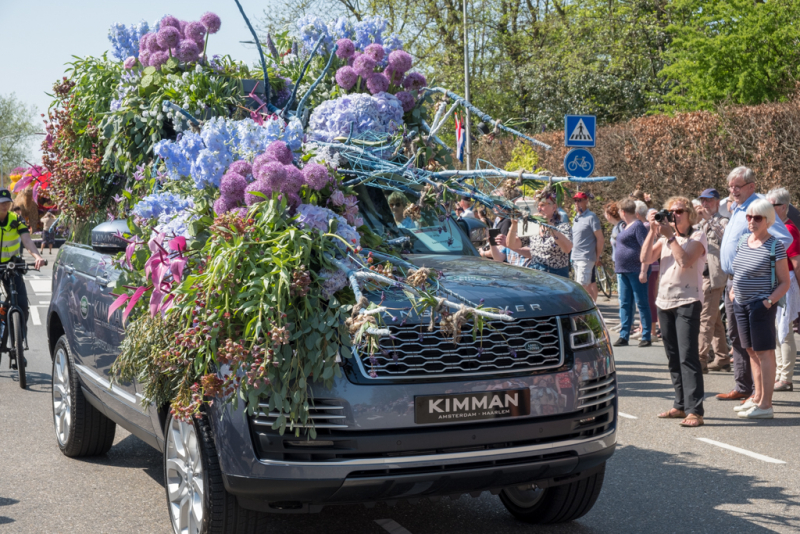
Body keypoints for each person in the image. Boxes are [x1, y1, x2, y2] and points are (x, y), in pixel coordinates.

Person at [717, 167, 793, 401]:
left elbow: (784, 238)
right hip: (734, 285)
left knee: (760, 347)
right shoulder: (738, 209)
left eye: (737, 186)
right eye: (730, 186)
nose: (733, 190)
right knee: (739, 340)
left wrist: (759, 259)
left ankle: (761, 397)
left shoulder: (759, 207)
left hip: (757, 288)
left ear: (751, 186)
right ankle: (745, 387)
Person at [642, 196, 708, 427]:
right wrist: (652, 231)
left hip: (688, 300)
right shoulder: (666, 239)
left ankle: (695, 411)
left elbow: (686, 262)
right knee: (673, 357)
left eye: (679, 211)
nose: (674, 214)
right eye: (671, 211)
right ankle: (680, 405)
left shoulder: (697, 236)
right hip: (665, 302)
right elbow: (644, 258)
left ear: (689, 213)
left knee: (688, 356)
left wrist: (670, 236)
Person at [729, 199, 791, 419]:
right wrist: (734, 291)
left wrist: (768, 302)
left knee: (764, 353)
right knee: (751, 352)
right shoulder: (744, 240)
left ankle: (766, 405)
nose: (752, 221)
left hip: (761, 306)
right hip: (740, 303)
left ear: (768, 220)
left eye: (757, 218)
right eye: (749, 217)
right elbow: (738, 269)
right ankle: (756, 398)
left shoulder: (776, 246)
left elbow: (785, 282)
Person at [0, 190, 46, 368]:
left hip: (11, 265)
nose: (4, 205)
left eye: (7, 202)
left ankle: (18, 346)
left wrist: (36, 257)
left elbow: (26, 240)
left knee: (21, 305)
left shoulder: (16, 219)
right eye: (1, 202)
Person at [766, 188, 800, 391]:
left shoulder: (789, 229)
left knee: (784, 330)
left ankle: (786, 377)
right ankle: (779, 373)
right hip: (776, 284)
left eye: (772, 206)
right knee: (777, 329)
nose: (768, 209)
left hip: (787, 284)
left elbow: (796, 263)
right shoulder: (774, 228)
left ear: (784, 207)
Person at [695, 188, 730, 373]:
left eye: (708, 200)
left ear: (717, 202)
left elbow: (726, 237)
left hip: (713, 276)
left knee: (705, 319)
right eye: (702, 200)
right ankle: (722, 357)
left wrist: (709, 220)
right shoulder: (700, 223)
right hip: (702, 274)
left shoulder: (723, 221)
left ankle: (700, 359)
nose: (705, 204)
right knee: (714, 318)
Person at [504, 187, 573, 277]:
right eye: (538, 205)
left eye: (543, 205)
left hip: (557, 276)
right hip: (536, 273)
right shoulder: (534, 226)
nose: (539, 208)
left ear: (554, 207)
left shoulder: (563, 227)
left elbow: (567, 248)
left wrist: (548, 224)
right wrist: (514, 225)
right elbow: (512, 244)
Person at [613, 199, 652, 347]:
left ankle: (646, 335)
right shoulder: (626, 226)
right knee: (625, 303)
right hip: (623, 271)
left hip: (636, 270)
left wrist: (644, 270)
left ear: (623, 212)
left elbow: (646, 248)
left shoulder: (638, 226)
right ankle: (624, 335)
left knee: (641, 303)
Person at [571, 192, 604, 301]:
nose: (577, 203)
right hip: (575, 258)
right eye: (575, 200)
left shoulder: (591, 217)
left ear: (586, 201)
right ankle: (591, 311)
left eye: (579, 200)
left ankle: (581, 314)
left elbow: (600, 238)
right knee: (586, 287)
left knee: (581, 287)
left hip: (586, 257)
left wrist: (597, 256)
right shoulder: (576, 217)